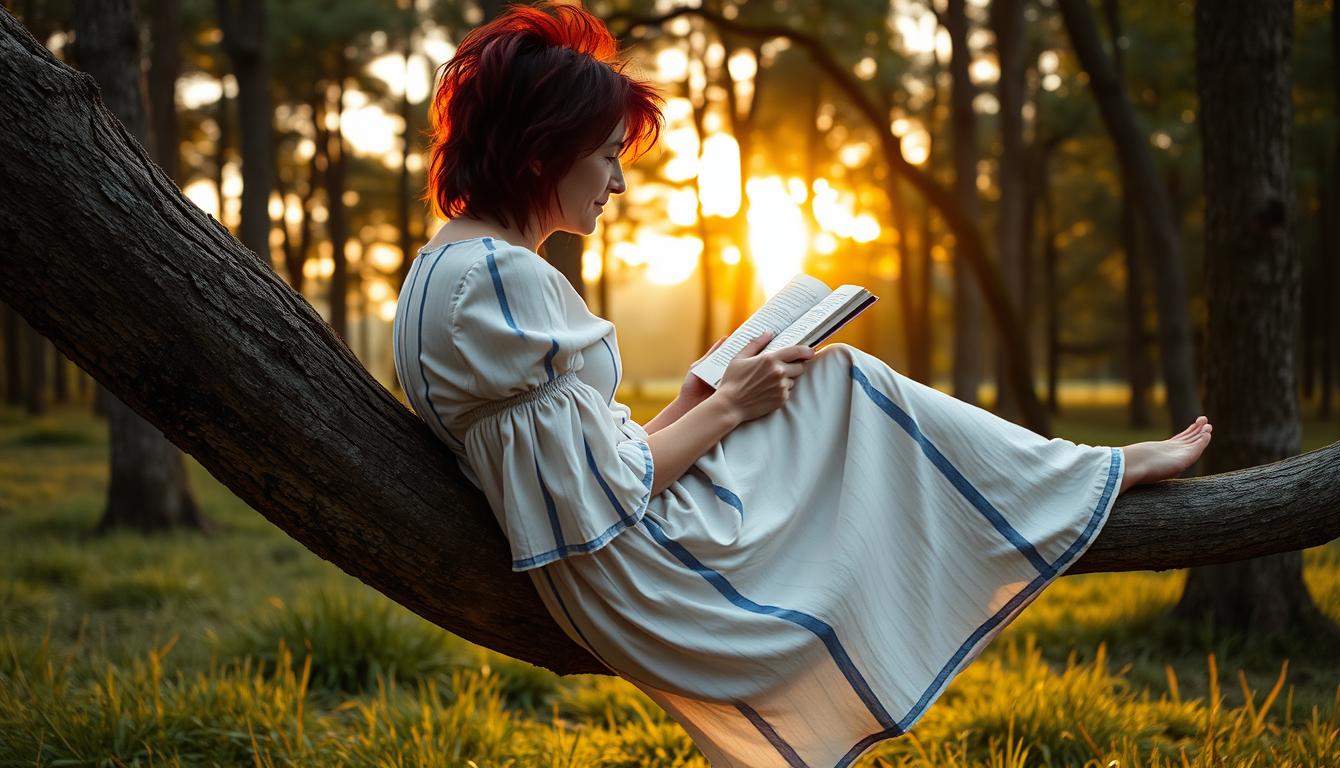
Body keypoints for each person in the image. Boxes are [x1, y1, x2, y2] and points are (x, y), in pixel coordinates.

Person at [392, 3, 1213, 765]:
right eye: (607, 156)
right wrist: (733, 406)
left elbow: (576, 470)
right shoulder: (499, 281)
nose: (618, 183)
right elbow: (602, 498)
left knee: (821, 384)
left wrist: (696, 400)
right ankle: (1091, 473)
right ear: (542, 151)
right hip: (643, 578)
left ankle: (1066, 477)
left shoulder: (448, 268)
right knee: (841, 381)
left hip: (606, 563)